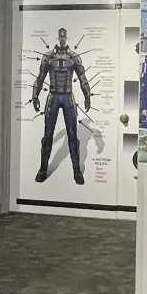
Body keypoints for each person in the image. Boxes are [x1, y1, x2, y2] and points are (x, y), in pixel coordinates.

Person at [31, 28, 92, 185]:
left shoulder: (74, 57)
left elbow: (83, 78)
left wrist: (87, 95)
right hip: (53, 95)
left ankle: (76, 170)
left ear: (67, 38)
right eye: (60, 36)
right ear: (57, 37)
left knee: (72, 135)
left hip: (67, 97)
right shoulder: (48, 57)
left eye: (64, 36)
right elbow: (40, 78)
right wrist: (35, 95)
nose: (62, 39)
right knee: (48, 135)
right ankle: (43, 169)